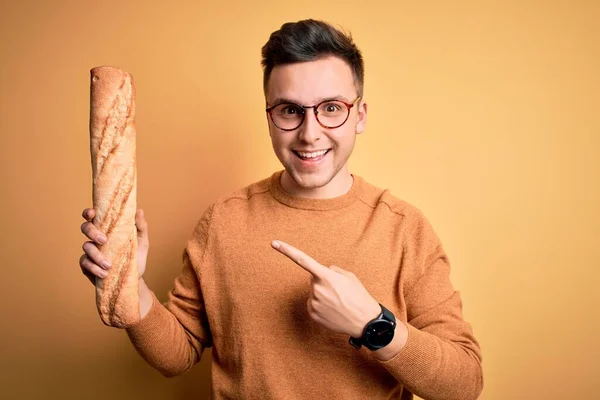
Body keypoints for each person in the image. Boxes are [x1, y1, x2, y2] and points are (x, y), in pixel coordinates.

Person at [79, 19, 483, 400]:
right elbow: (179, 352)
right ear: (270, 118)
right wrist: (131, 287)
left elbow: (464, 382)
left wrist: (373, 324)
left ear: (358, 116)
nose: (310, 133)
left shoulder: (404, 229)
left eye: (331, 108)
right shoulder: (223, 220)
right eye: (290, 110)